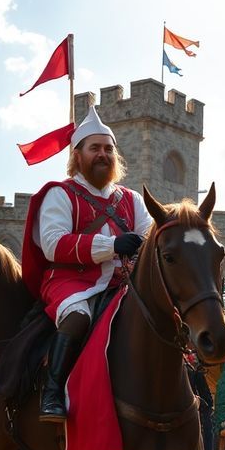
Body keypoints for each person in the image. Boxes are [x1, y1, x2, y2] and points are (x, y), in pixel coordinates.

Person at [21, 107, 153, 422]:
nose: (103, 154)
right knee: (78, 317)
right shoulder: (60, 193)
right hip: (72, 282)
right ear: (77, 155)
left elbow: (150, 235)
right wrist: (110, 246)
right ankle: (52, 393)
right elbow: (53, 243)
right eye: (95, 148)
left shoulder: (131, 199)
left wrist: (141, 253)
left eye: (108, 149)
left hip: (122, 283)